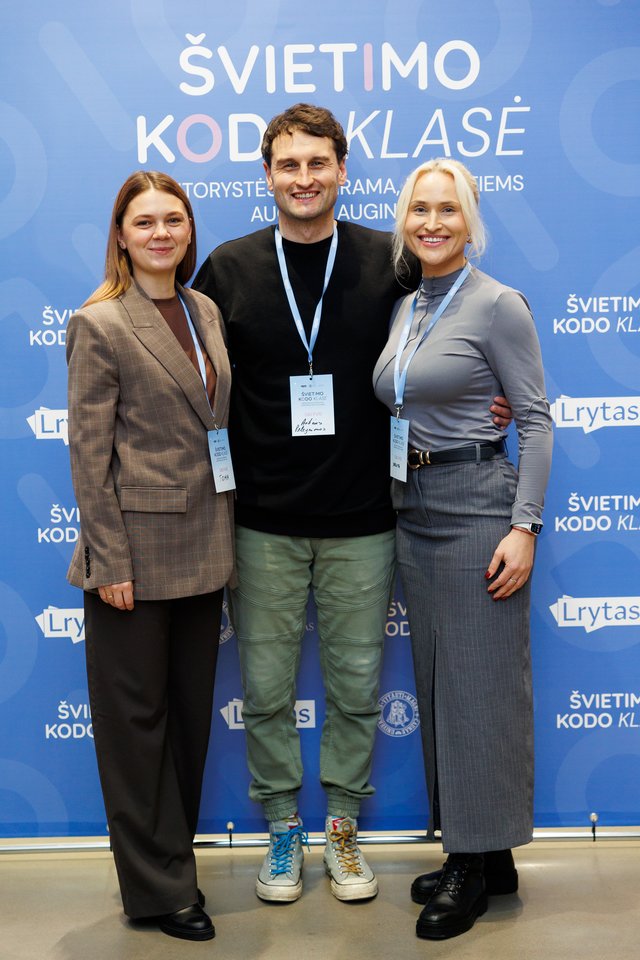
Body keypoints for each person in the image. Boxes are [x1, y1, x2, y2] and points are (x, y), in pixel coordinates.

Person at [193, 104, 512, 905]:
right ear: (268, 175)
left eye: (317, 163)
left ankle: (341, 829)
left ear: (341, 170)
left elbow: (449, 340)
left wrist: (490, 402)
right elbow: (188, 378)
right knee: (266, 690)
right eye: (288, 165)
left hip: (366, 518)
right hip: (262, 521)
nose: (303, 178)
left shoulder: (390, 260)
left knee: (357, 688)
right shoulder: (228, 269)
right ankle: (281, 831)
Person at [373, 157, 552, 940]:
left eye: (448, 209)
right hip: (412, 507)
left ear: (471, 222)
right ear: (405, 221)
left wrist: (524, 526)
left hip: (478, 507)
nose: (433, 222)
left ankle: (469, 865)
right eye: (421, 209)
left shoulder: (497, 303)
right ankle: (488, 854)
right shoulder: (406, 306)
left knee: (480, 691)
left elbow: (536, 421)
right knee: (443, 687)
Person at [66, 171, 234, 941]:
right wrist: (110, 563)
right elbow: (88, 454)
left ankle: (174, 868)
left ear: (189, 230)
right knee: (136, 733)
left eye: (173, 219)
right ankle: (159, 892)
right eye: (145, 222)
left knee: (188, 727)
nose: (161, 232)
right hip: (133, 558)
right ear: (122, 235)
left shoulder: (203, 311)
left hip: (205, 549)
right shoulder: (99, 323)